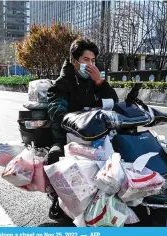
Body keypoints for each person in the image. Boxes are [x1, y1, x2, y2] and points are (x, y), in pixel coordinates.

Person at [46, 38, 119, 219]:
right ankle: (59, 199)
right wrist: (75, 119)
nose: (90, 64)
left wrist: (100, 82)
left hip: (96, 134)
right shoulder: (62, 83)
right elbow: (56, 110)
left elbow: (113, 101)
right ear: (74, 60)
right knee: (55, 156)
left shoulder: (92, 81)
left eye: (93, 61)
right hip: (68, 136)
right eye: (86, 60)